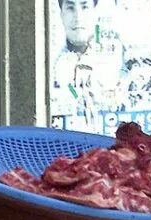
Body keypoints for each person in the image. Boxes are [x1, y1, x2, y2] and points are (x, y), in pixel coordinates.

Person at [49, 0, 123, 134]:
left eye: (85, 7)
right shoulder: (55, 64)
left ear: (95, 11)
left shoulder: (117, 56)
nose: (78, 17)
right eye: (70, 8)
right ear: (61, 13)